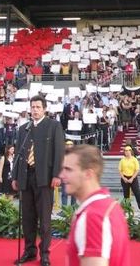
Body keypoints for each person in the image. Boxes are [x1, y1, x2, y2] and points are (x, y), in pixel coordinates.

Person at [12, 95, 65, 266]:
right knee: (28, 217)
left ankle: (45, 254)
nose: (34, 110)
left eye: (38, 107)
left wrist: (57, 174)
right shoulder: (23, 129)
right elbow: (19, 155)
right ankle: (29, 251)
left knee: (44, 218)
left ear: (44, 109)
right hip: (25, 177)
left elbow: (59, 152)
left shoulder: (53, 126)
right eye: (32, 107)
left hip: (45, 178)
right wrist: (14, 176)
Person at [61, 144, 130, 266]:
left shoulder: (92, 216)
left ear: (88, 174)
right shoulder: (111, 205)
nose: (62, 175)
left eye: (68, 169)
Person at [118, 145, 140, 210]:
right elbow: (120, 170)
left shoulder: (134, 159)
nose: (127, 152)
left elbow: (137, 170)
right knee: (126, 195)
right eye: (125, 151)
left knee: (137, 193)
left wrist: (132, 178)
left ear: (131, 151)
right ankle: (127, 208)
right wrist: (124, 178)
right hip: (124, 178)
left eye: (128, 150)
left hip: (133, 178)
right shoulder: (122, 160)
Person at [61, 141, 77, 206]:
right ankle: (64, 210)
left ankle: (73, 208)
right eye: (67, 144)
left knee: (73, 193)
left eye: (70, 144)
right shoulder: (62, 154)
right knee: (64, 193)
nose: (69, 146)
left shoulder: (76, 155)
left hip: (74, 176)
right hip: (65, 175)